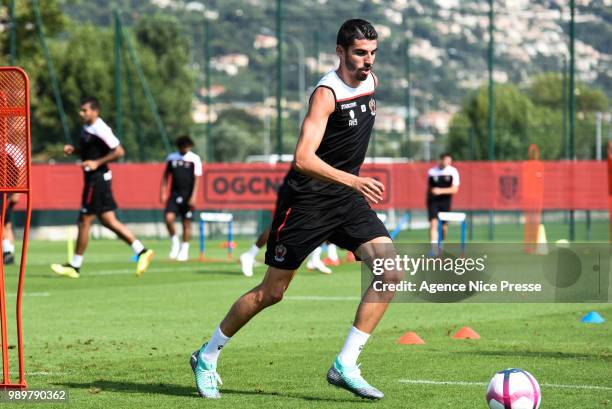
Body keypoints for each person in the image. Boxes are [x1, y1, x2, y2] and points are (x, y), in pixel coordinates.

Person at [190, 19, 400, 400]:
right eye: (359, 53)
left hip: (345, 201)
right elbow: (302, 158)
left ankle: (345, 365)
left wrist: (350, 184)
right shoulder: (326, 93)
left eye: (372, 53)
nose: (367, 61)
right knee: (271, 293)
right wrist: (353, 180)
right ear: (340, 52)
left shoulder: (371, 83)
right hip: (307, 203)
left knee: (390, 272)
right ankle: (206, 356)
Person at [51, 97, 154, 278]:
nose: (81, 113)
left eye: (85, 110)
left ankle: (75, 266)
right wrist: (74, 150)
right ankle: (141, 251)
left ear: (95, 111)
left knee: (84, 220)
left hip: (97, 180)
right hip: (94, 179)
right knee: (108, 221)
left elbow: (119, 151)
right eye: (81, 110)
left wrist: (97, 163)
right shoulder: (87, 128)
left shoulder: (101, 128)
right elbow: (91, 150)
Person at [160, 136, 202, 261]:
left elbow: (197, 179)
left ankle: (184, 249)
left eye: (187, 146)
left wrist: (193, 196)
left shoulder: (194, 159)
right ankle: (175, 243)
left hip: (188, 196)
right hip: (174, 195)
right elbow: (165, 177)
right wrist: (162, 192)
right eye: (182, 146)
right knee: (168, 219)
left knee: (186, 223)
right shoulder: (172, 158)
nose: (185, 148)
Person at [426, 152, 460, 248]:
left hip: (445, 201)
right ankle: (434, 249)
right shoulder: (432, 172)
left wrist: (440, 191)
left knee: (444, 227)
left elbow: (455, 189)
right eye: (446, 160)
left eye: (450, 160)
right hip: (433, 201)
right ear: (441, 160)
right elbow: (430, 188)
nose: (449, 162)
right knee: (433, 223)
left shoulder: (453, 172)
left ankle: (441, 244)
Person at [1, 193, 19, 264]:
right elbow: (15, 198)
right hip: (5, 201)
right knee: (7, 226)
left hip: (2, 199)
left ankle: (7, 251)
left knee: (4, 225)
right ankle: (9, 251)